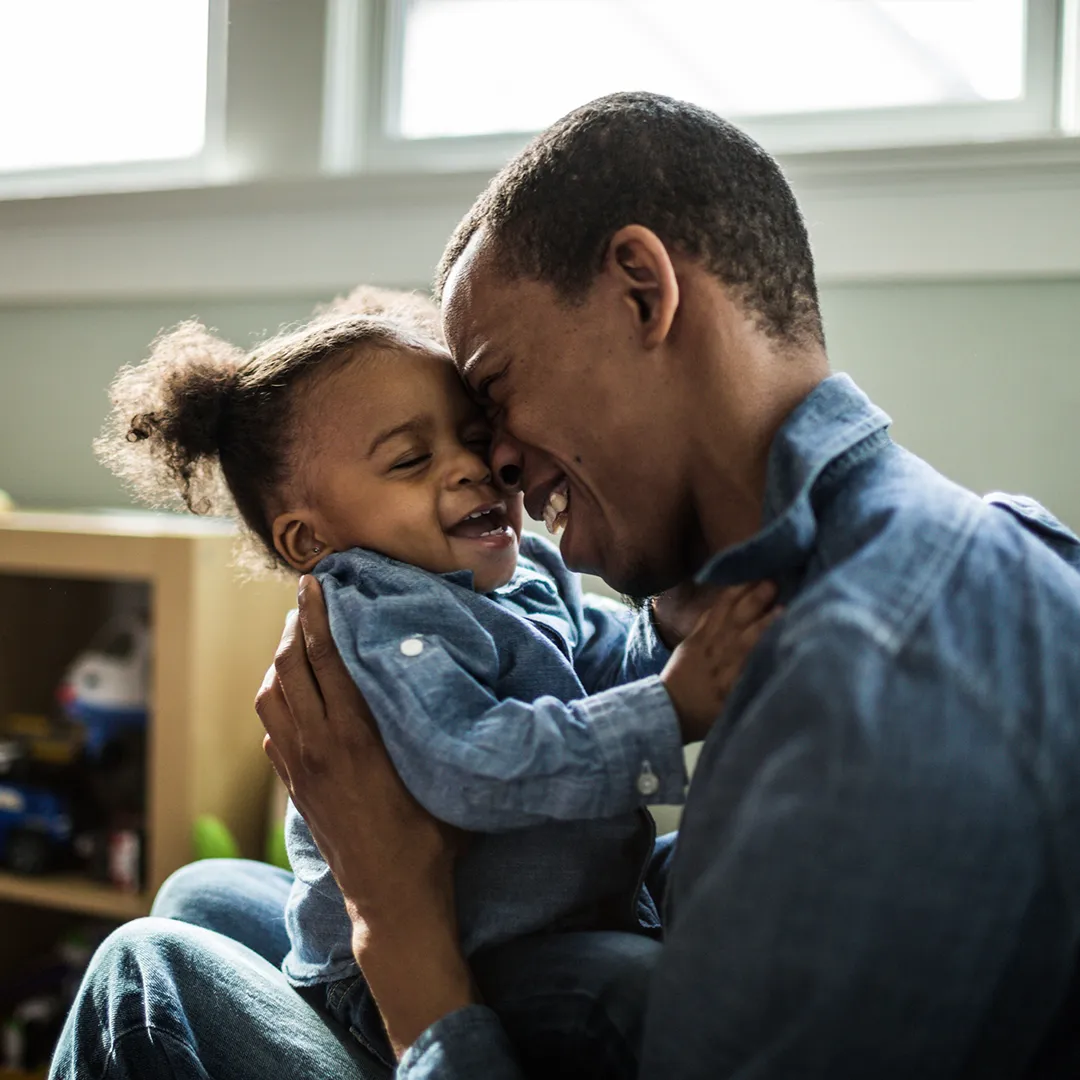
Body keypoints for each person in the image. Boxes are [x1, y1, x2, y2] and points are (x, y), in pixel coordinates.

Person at [52, 91, 1080, 1079]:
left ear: (645, 291)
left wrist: (399, 935)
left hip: (460, 962)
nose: (495, 461)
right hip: (511, 916)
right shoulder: (873, 563)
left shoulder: (863, 676)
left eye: (491, 393)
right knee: (198, 896)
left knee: (142, 977)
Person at [86, 294, 775, 1075]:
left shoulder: (522, 575)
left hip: (538, 920)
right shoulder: (384, 612)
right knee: (630, 990)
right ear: (311, 538)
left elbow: (604, 661)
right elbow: (470, 766)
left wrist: (683, 629)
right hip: (461, 954)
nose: (473, 467)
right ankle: (387, 1039)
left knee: (203, 893)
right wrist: (671, 709)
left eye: (476, 438)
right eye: (412, 460)